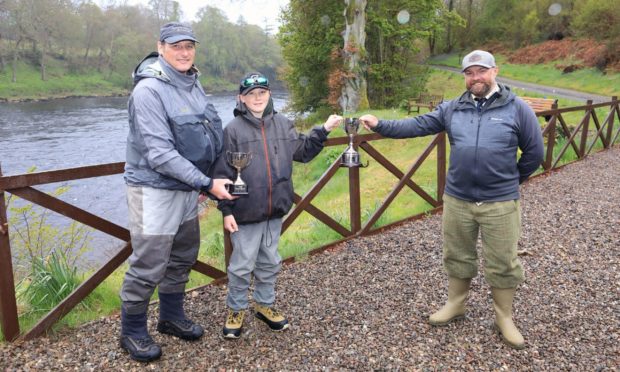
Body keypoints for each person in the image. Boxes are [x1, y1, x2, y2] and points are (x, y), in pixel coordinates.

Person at [359, 50, 544, 350]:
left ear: (495, 71)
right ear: (464, 77)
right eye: (469, 73)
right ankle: (456, 304)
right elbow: (416, 125)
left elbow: (535, 153)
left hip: (499, 202)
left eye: (481, 71)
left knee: (503, 261)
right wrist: (380, 124)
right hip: (458, 199)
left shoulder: (516, 108)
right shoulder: (452, 108)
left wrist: (510, 180)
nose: (475, 78)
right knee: (457, 254)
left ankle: (504, 317)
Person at [120, 22, 234, 362]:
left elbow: (210, 134)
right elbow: (159, 154)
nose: (184, 52)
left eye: (189, 46)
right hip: (154, 191)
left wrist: (213, 176)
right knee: (148, 263)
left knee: (183, 254)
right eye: (176, 46)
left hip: (188, 189)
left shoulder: (193, 83)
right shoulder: (148, 91)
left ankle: (170, 317)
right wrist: (207, 183)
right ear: (160, 47)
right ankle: (132, 332)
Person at [213, 72, 342, 339]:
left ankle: (264, 305)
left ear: (269, 95)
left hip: (276, 210)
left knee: (270, 261)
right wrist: (226, 211)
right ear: (242, 98)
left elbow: (304, 152)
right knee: (241, 265)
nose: (257, 98)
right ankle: (236, 309)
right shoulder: (232, 130)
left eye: (262, 93)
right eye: (251, 94)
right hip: (245, 213)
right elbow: (222, 174)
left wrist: (324, 130)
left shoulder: (284, 124)